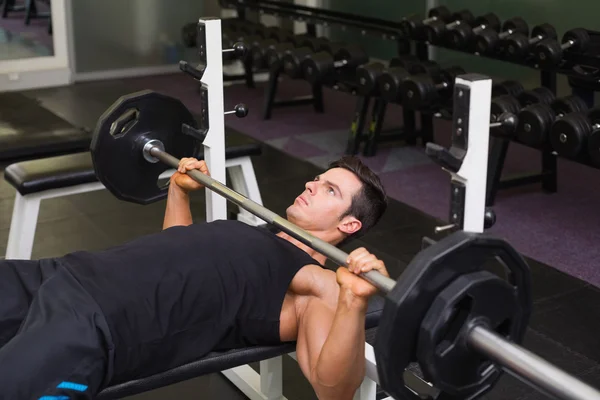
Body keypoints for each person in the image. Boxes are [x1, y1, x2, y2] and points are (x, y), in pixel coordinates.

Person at [0, 155, 388, 400]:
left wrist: (353, 303)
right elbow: (177, 248)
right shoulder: (257, 232)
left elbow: (333, 389)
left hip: (98, 323)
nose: (311, 185)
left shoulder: (313, 283)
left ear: (349, 223)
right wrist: (178, 193)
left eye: (329, 189)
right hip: (58, 273)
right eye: (317, 179)